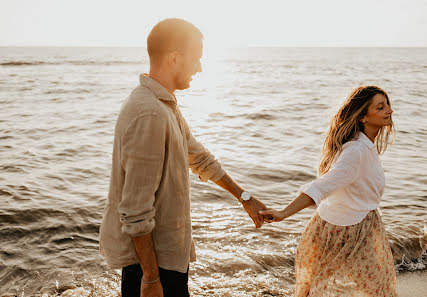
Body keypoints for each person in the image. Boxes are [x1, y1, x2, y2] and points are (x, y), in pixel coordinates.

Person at [99, 18, 267, 297]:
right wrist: (151, 280)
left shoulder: (164, 106)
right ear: (175, 58)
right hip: (152, 268)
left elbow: (200, 158)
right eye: (197, 58)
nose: (200, 67)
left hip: (166, 260)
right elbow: (135, 208)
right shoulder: (149, 113)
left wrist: (245, 198)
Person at [260, 86, 397, 297]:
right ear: (362, 116)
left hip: (357, 224)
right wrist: (283, 213)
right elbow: (321, 186)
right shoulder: (356, 151)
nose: (389, 110)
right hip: (345, 230)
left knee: (365, 289)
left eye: (387, 104)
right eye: (380, 107)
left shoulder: (364, 146)